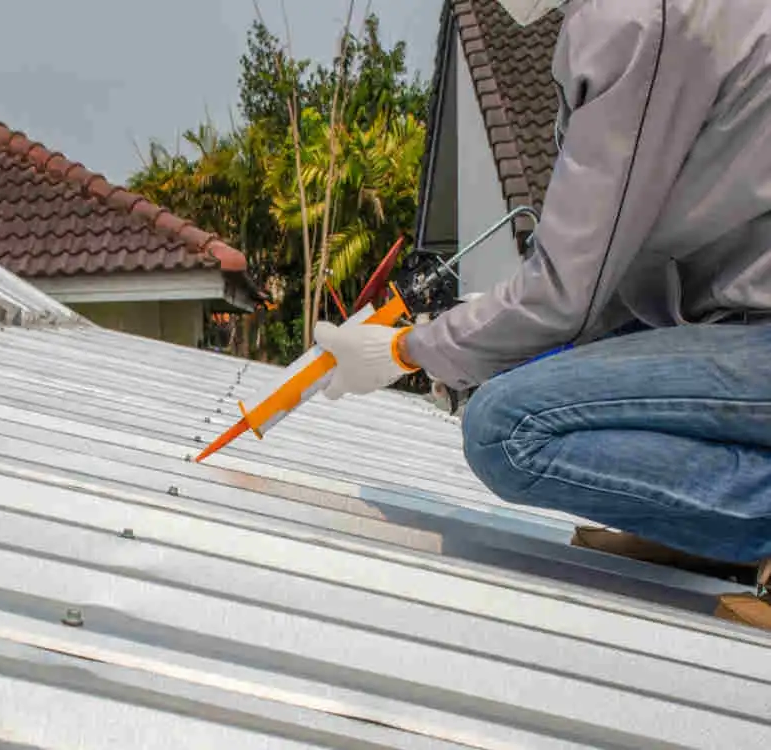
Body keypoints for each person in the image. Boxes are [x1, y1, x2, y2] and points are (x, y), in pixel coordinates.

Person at [313, 0, 771, 622]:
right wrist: (468, 332)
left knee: (506, 427)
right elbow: (607, 276)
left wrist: (406, 352)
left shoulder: (633, 22)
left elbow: (566, 294)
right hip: (737, 324)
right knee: (537, 376)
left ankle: (745, 521)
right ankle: (700, 525)